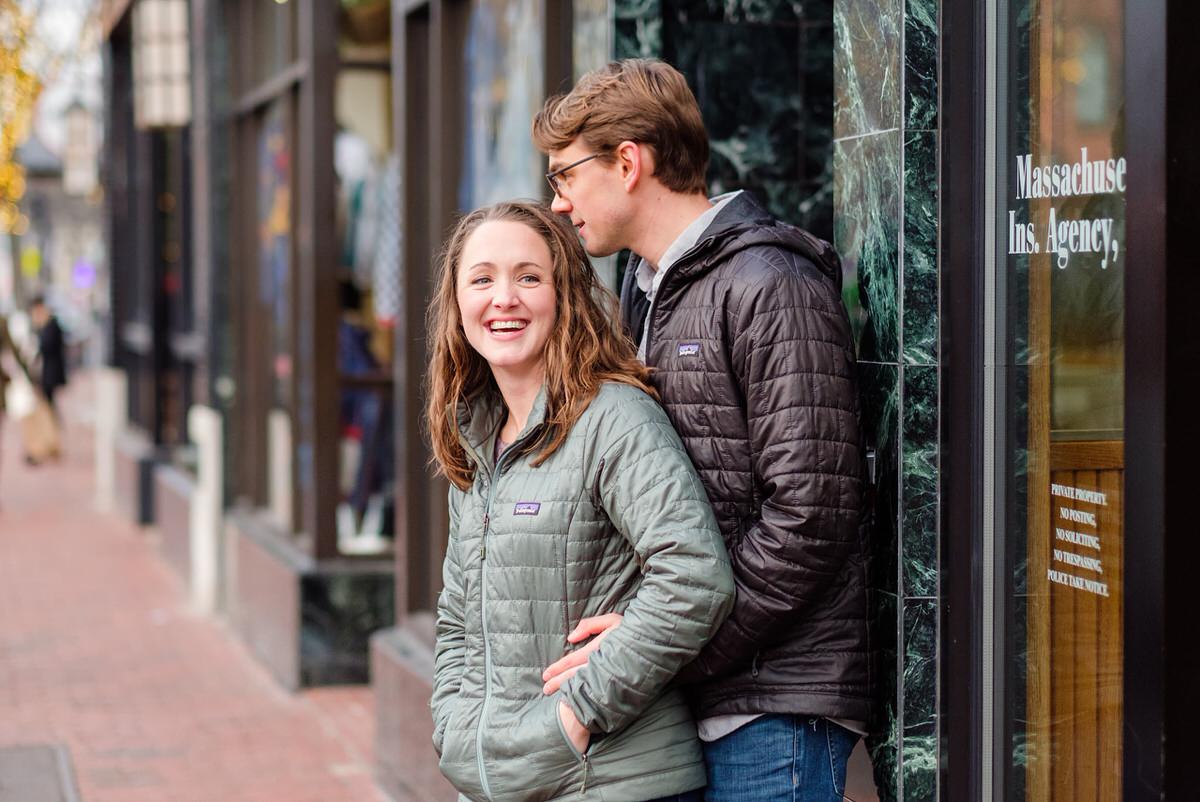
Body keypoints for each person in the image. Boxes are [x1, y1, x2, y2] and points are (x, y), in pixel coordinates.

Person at [533, 59, 871, 802]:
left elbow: (811, 516)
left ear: (627, 163)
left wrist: (666, 646)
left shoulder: (769, 284)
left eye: (563, 176)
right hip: (703, 693)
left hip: (772, 707)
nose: (557, 203)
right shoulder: (649, 290)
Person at [427, 200, 735, 802]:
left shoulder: (613, 418)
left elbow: (697, 578)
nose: (504, 298)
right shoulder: (477, 438)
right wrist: (455, 729)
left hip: (611, 780)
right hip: (500, 782)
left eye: (529, 277)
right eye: (482, 278)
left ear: (563, 295)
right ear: (457, 303)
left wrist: (579, 715)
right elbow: (457, 617)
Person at [30, 297, 67, 419]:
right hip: (48, 370)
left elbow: (47, 346)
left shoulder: (51, 325)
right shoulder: (48, 325)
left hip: (51, 370)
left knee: (48, 399)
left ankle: (52, 425)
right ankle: (52, 424)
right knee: (48, 400)